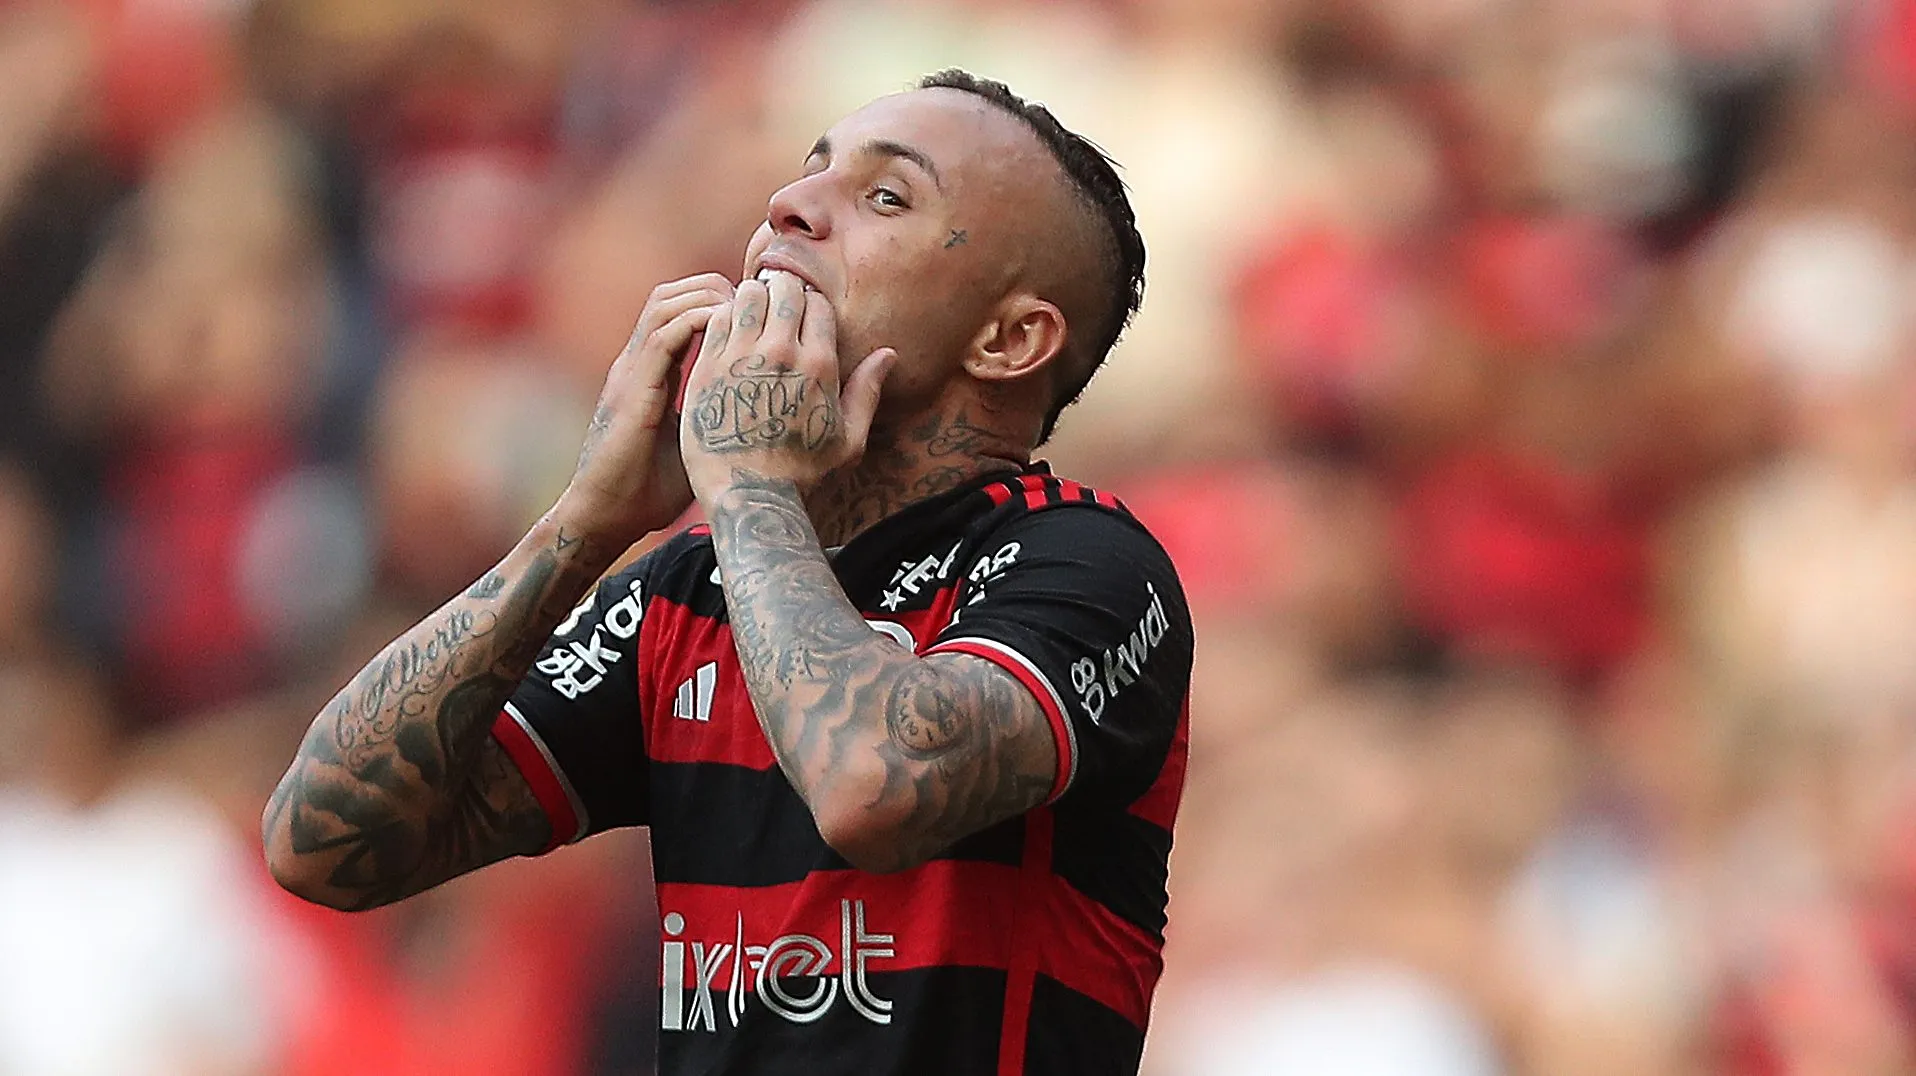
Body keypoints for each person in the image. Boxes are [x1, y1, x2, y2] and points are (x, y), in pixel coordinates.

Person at [264, 69, 1193, 1076]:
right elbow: (324, 842)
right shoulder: (681, 588)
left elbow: (872, 787)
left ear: (1007, 339)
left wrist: (747, 488)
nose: (788, 206)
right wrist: (587, 521)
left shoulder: (1086, 562)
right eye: (810, 174)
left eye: (885, 198)